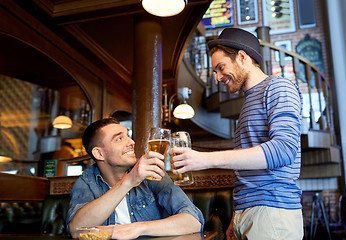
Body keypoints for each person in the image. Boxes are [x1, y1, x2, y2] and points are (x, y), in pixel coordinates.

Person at [170, 28, 303, 240]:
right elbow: (249, 169)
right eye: (215, 71)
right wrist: (238, 215)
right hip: (250, 213)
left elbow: (284, 150)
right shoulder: (248, 101)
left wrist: (204, 159)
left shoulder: (279, 87)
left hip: (272, 212)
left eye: (221, 68)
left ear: (242, 57)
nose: (218, 77)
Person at [66, 118, 204, 239]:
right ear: (99, 153)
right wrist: (128, 181)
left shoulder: (151, 171)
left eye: (128, 135)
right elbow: (77, 230)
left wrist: (137, 228)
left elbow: (194, 221)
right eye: (119, 138)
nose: (131, 142)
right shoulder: (87, 181)